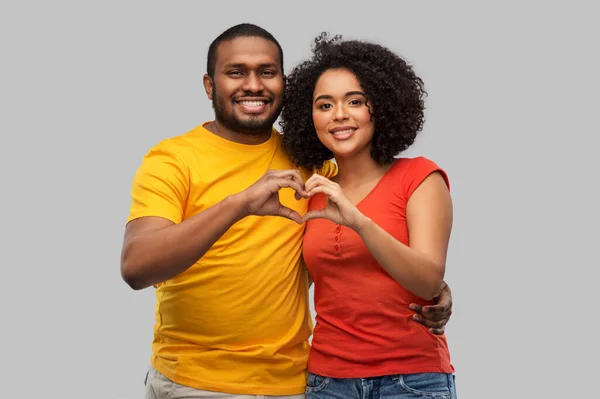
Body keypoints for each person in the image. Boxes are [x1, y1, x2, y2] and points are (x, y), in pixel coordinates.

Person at [121, 23, 454, 399]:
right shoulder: (172, 160)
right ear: (209, 85)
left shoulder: (314, 169)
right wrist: (240, 203)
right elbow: (136, 268)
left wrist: (435, 288)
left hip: (293, 385)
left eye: (267, 72)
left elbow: (365, 236)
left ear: (284, 82)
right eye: (235, 72)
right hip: (194, 382)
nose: (253, 85)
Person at [280, 34, 457, 398]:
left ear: (381, 106)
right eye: (324, 105)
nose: (339, 115)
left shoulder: (420, 178)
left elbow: (427, 281)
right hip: (328, 382)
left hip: (411, 380)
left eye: (355, 101)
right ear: (308, 115)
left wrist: (358, 221)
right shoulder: (314, 192)